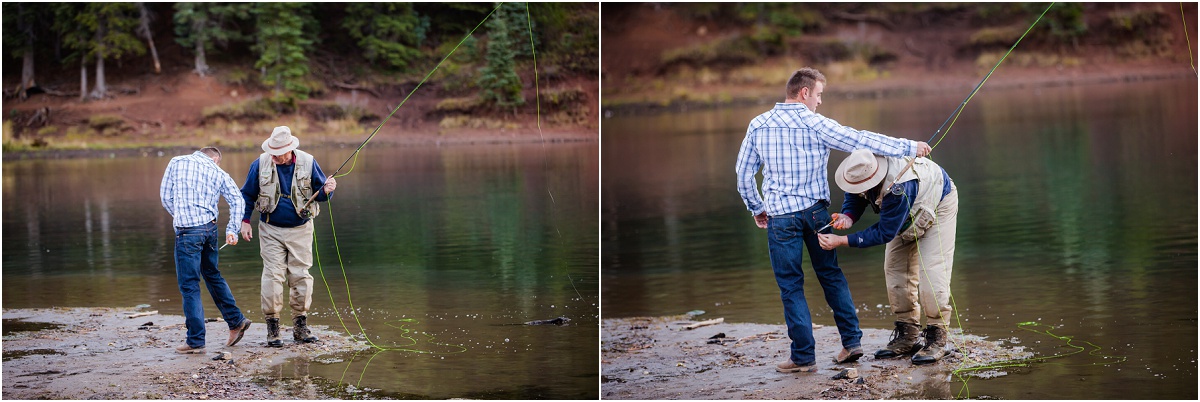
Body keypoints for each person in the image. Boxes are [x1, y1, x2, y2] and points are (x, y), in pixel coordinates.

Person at [735, 67, 932, 373]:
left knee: (791, 286)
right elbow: (860, 140)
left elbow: (743, 175)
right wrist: (910, 147)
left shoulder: (758, 125)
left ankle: (802, 358)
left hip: (780, 218)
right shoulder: (815, 123)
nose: (820, 102)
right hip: (815, 214)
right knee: (831, 276)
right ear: (804, 93)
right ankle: (851, 343)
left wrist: (756, 208)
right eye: (818, 95)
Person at [817, 149, 958, 365]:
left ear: (874, 177)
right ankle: (908, 335)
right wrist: (848, 215)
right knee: (894, 271)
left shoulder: (899, 189)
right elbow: (855, 196)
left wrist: (841, 241)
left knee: (932, 273)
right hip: (904, 212)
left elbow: (884, 232)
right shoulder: (862, 171)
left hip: (937, 203)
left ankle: (937, 337)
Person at [240, 126, 337, 347]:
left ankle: (300, 327)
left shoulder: (309, 162)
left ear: (290, 149)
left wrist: (328, 190)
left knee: (301, 276)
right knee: (272, 276)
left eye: (277, 152)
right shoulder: (260, 163)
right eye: (271, 151)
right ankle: (272, 328)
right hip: (270, 228)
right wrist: (245, 221)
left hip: (301, 229)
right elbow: (247, 194)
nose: (273, 156)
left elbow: (320, 194)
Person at [160, 146, 253, 354]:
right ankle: (236, 321)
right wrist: (231, 230)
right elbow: (238, 200)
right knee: (212, 274)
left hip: (187, 232)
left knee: (190, 285)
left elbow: (166, 197)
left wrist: (182, 216)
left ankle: (195, 340)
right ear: (215, 159)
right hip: (210, 229)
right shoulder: (218, 171)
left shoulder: (176, 161)